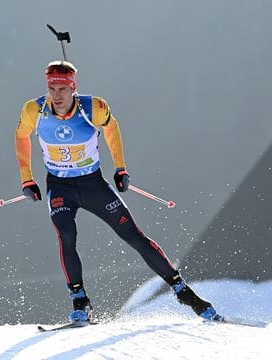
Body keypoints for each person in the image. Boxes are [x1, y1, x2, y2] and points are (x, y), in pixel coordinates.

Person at [14, 60, 223, 323]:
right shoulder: (34, 110)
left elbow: (112, 128)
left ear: (73, 89)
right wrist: (27, 179)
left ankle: (183, 291)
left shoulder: (93, 107)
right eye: (51, 89)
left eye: (62, 90)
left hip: (93, 185)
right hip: (59, 187)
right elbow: (21, 136)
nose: (56, 96)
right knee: (66, 235)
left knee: (134, 236)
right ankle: (80, 301)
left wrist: (121, 168)